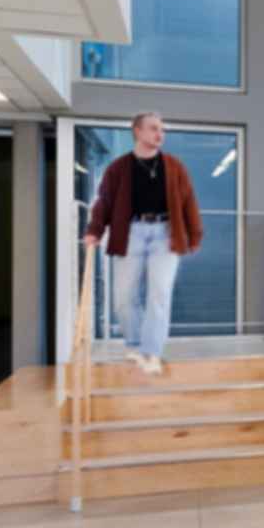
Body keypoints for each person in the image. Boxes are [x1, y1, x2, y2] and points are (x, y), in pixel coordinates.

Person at [83, 113, 202, 375]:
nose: (160, 134)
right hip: (130, 233)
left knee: (159, 295)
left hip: (166, 233)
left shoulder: (174, 166)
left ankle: (152, 353)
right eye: (153, 129)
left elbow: (188, 201)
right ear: (137, 131)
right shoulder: (118, 167)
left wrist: (194, 234)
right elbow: (104, 201)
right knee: (124, 297)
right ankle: (135, 345)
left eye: (162, 129)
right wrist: (94, 231)